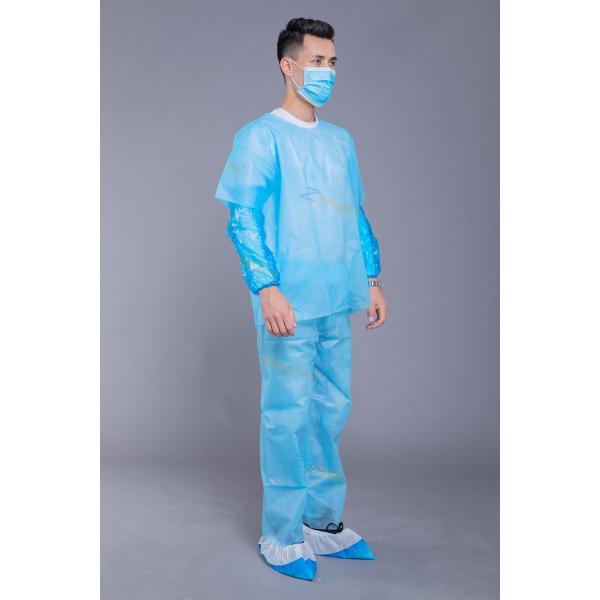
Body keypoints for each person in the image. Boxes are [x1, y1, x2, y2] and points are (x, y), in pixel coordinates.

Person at [215, 17, 388, 581]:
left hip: (337, 296)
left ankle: (322, 522)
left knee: (330, 411)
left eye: (332, 62)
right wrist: (266, 288)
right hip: (288, 300)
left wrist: (371, 278)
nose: (327, 72)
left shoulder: (340, 141)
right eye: (317, 61)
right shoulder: (259, 137)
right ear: (288, 66)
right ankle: (283, 535)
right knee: (287, 416)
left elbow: (355, 213)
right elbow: (243, 218)